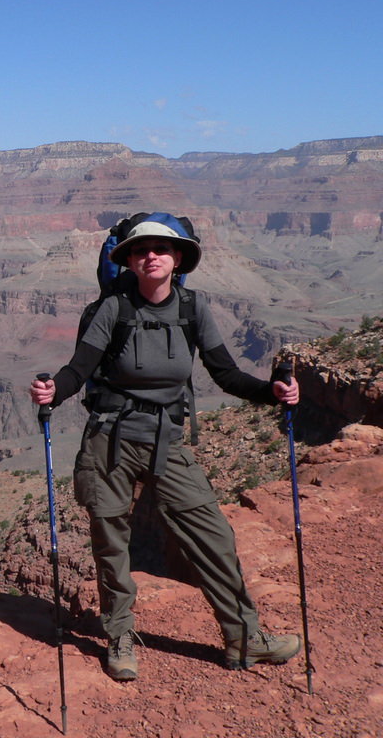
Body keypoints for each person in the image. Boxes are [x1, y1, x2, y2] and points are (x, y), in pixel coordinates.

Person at [29, 213, 301, 682]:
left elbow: (225, 374)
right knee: (112, 542)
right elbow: (78, 369)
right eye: (140, 250)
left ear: (178, 258)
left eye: (161, 248)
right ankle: (119, 638)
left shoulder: (193, 309)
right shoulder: (111, 309)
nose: (150, 255)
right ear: (129, 261)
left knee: (213, 537)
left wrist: (269, 392)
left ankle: (245, 639)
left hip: (167, 439)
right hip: (110, 440)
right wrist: (54, 390)